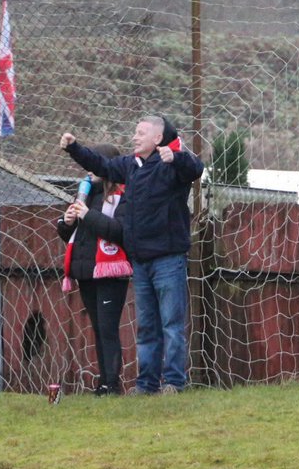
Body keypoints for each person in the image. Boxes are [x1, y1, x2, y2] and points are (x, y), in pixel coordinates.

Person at [59, 115, 204, 395]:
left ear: (158, 139)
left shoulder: (172, 164)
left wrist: (176, 156)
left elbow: (196, 169)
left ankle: (173, 382)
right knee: (147, 325)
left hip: (168, 259)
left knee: (172, 324)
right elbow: (101, 164)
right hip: (140, 260)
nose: (134, 137)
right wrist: (75, 148)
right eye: (135, 132)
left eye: (141, 133)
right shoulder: (130, 166)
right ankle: (146, 384)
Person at [56, 144, 132, 396]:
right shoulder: (85, 195)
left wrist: (88, 215)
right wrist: (66, 223)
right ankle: (103, 382)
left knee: (108, 328)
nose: (88, 172)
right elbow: (75, 235)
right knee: (98, 328)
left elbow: (119, 232)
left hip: (111, 273)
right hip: (86, 271)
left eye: (93, 167)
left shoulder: (123, 195)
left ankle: (113, 384)